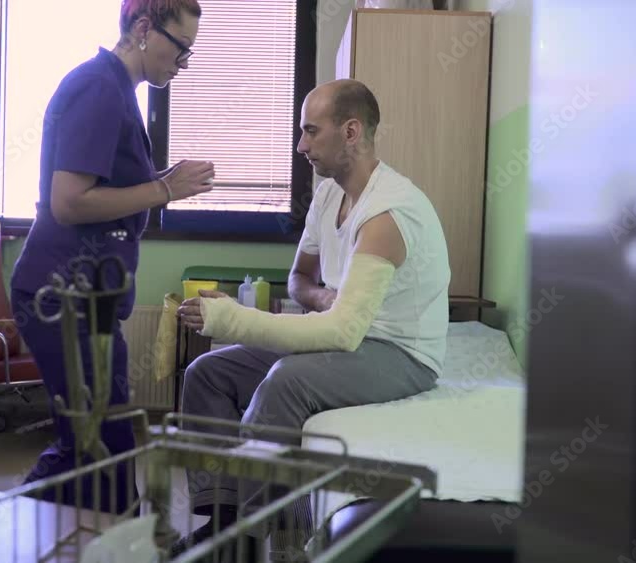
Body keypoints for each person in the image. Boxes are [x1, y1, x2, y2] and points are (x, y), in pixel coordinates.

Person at [173, 79, 451, 554]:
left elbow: (344, 333)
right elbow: (300, 280)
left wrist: (233, 319)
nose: (301, 145)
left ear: (350, 132)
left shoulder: (388, 212)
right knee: (206, 373)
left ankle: (255, 535)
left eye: (310, 131)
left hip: (400, 353)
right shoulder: (326, 197)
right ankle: (221, 520)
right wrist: (327, 299)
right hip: (347, 333)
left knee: (287, 381)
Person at [8, 0, 213, 513]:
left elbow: (108, 188)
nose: (184, 63)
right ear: (144, 28)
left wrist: (160, 184)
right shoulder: (99, 87)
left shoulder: (118, 92)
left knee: (94, 444)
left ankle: (27, 523)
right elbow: (70, 201)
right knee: (105, 446)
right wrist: (165, 189)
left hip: (88, 298)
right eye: (180, 48)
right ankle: (113, 536)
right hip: (61, 293)